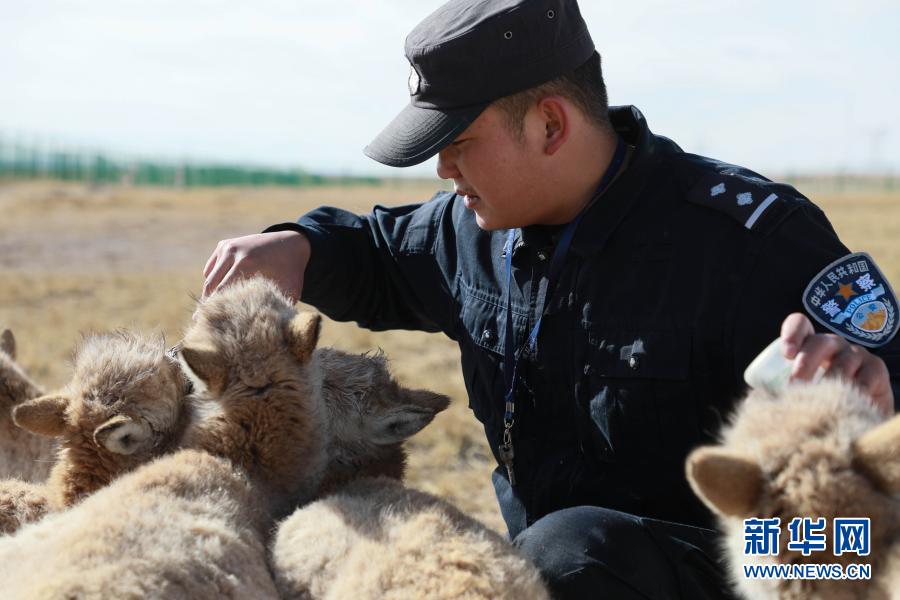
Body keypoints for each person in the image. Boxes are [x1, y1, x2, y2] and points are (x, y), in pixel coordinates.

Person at [201, 1, 900, 597]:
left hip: (738, 573)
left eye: (459, 142)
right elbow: (377, 254)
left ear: (549, 126)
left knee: (571, 553)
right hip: (543, 568)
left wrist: (877, 408)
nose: (442, 168)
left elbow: (861, 514)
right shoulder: (474, 231)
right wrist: (298, 245)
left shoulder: (754, 243)